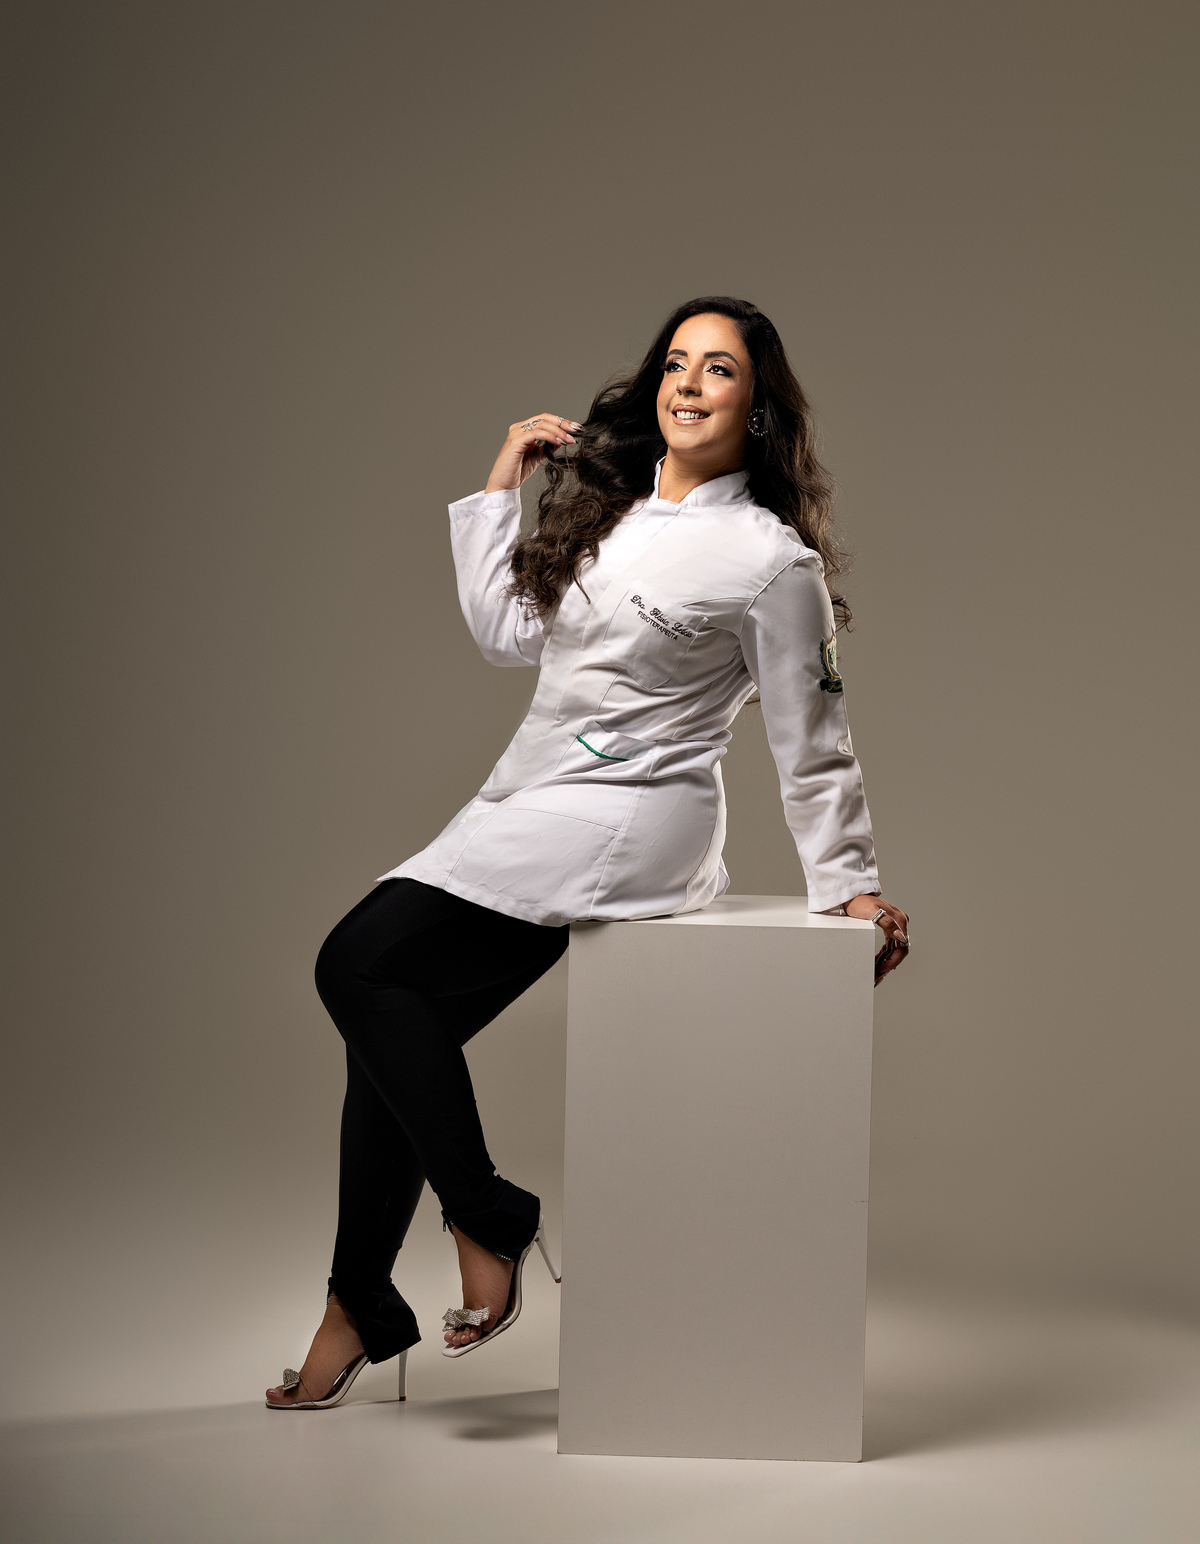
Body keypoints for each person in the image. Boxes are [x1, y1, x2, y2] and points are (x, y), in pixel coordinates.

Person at [266, 296, 909, 1409]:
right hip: (532, 797)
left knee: (354, 964)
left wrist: (849, 884)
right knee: (391, 1040)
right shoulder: (610, 515)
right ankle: (359, 1300)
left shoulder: (770, 560)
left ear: (758, 408)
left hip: (634, 814)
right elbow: (505, 634)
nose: (689, 384)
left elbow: (813, 734)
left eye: (720, 370)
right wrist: (501, 490)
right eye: (676, 364)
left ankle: (489, 1216)